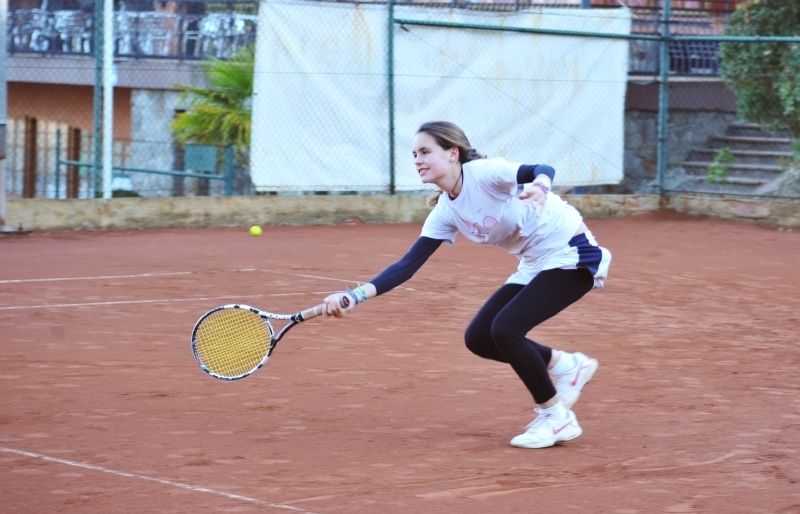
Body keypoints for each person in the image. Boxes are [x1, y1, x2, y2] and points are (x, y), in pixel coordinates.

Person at [322, 121, 611, 449]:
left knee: (505, 329)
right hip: (535, 262)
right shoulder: (446, 211)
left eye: (426, 152)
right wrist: (353, 296)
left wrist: (541, 187)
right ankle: (566, 365)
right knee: (479, 338)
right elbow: (406, 266)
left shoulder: (485, 173)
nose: (417, 160)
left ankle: (556, 417)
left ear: (452, 153)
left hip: (571, 252)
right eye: (414, 154)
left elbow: (541, 169)